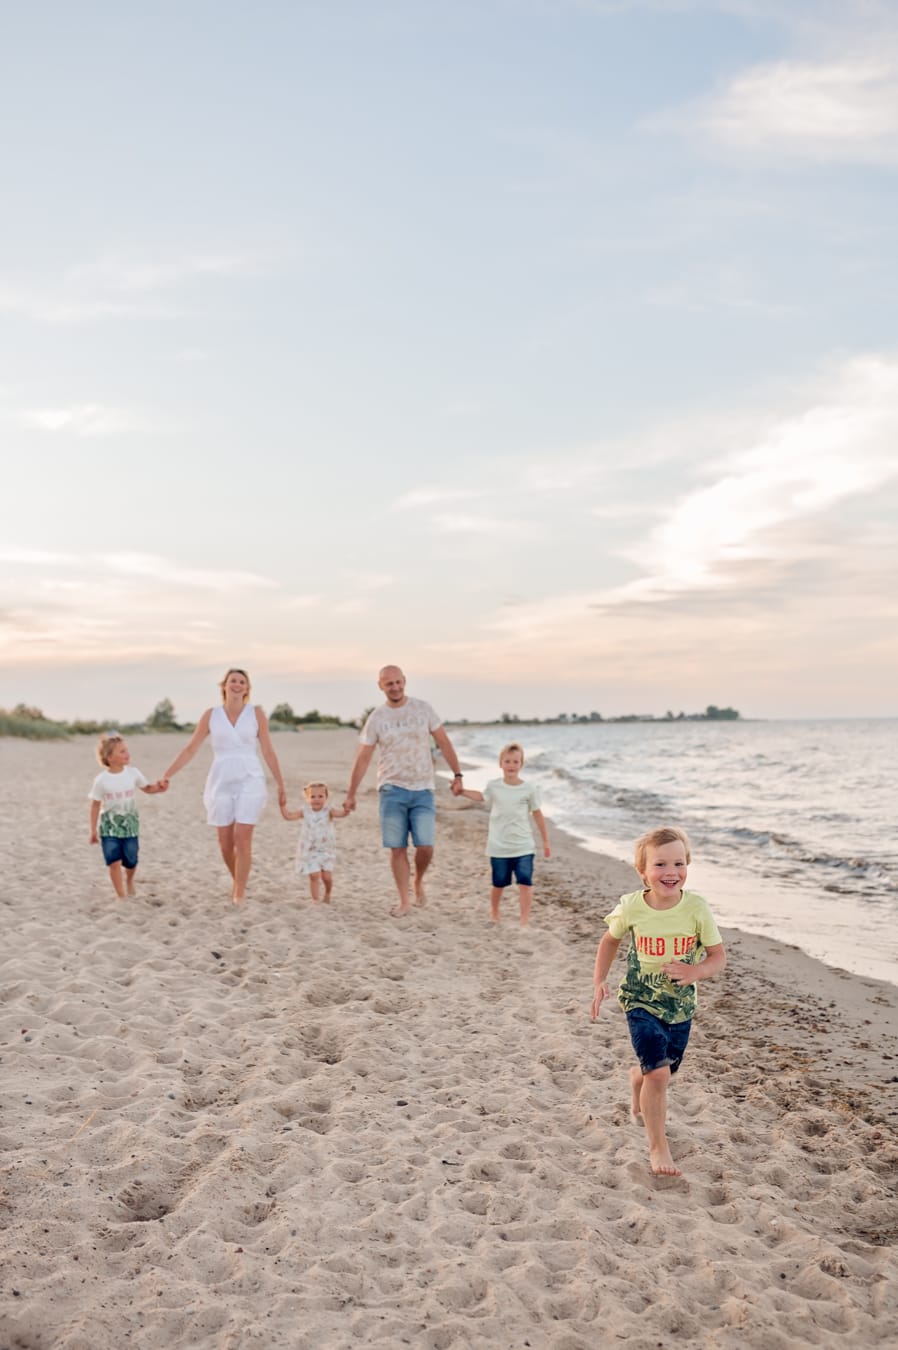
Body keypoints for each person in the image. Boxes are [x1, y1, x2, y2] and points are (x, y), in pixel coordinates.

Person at [590, 826, 727, 1178]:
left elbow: (717, 957)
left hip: (679, 1006)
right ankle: (657, 1146)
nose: (671, 872)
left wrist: (695, 971)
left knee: (661, 1071)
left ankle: (638, 1076)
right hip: (639, 1000)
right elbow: (609, 941)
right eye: (661, 864)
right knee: (661, 1073)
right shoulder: (632, 906)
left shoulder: (696, 908)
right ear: (643, 872)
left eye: (679, 863)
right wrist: (600, 982)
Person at [343, 664, 464, 917]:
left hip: (423, 788)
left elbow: (443, 742)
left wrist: (457, 774)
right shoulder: (377, 717)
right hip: (391, 789)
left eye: (398, 682)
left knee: (426, 846)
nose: (395, 687)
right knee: (397, 847)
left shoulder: (423, 709)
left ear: (405, 681)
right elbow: (363, 757)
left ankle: (418, 880)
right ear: (381, 686)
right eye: (389, 684)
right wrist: (351, 793)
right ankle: (404, 901)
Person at [160, 668, 287, 904]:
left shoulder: (256, 714)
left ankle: (238, 893)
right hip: (221, 779)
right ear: (224, 686)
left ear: (247, 688)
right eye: (232, 681)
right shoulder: (211, 715)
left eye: (242, 682)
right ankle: (238, 881)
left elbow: (268, 751)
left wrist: (280, 784)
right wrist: (168, 774)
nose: (237, 685)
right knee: (225, 843)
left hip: (250, 777)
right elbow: (191, 748)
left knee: (242, 837)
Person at [458, 742, 550, 926]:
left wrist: (546, 842)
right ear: (500, 764)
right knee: (499, 883)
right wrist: (462, 791)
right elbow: (481, 797)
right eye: (507, 761)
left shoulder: (529, 789)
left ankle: (524, 920)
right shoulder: (493, 786)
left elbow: (538, 814)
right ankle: (494, 912)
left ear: (521, 765)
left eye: (515, 762)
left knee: (525, 883)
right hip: (499, 846)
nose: (511, 765)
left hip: (523, 846)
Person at [88, 732, 167, 899]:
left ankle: (129, 880)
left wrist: (159, 788)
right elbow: (95, 805)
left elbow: (147, 788)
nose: (127, 754)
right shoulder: (101, 780)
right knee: (114, 862)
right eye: (122, 751)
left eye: (126, 750)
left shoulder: (133, 773)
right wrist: (93, 830)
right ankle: (121, 896)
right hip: (108, 828)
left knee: (131, 860)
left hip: (130, 826)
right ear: (109, 757)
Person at [281, 781, 349, 903]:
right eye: (313, 796)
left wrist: (347, 809)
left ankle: (327, 892)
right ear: (307, 798)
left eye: (320, 796)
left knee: (326, 877)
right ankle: (315, 900)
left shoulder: (329, 811)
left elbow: (342, 814)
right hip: (310, 850)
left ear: (326, 797)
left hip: (326, 849)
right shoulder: (304, 811)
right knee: (314, 875)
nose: (317, 799)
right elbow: (289, 816)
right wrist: (282, 806)